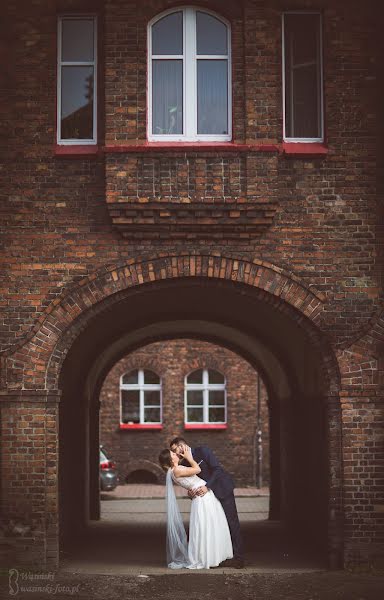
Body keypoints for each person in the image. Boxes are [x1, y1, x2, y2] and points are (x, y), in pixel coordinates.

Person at [170, 437, 244, 569]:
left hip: (222, 489)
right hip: (207, 499)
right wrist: (190, 493)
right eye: (173, 452)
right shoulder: (185, 465)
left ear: (183, 446)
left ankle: (239, 558)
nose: (176, 454)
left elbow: (217, 469)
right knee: (217, 525)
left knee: (231, 522)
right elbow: (191, 482)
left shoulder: (203, 451)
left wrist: (207, 486)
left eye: (176, 450)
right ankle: (220, 555)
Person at [158, 445, 233, 569]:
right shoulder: (176, 470)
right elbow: (197, 470)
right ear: (171, 461)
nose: (176, 454)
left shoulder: (175, 471)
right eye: (173, 455)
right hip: (203, 498)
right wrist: (189, 458)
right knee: (207, 526)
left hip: (202, 495)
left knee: (209, 525)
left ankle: (212, 556)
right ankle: (206, 558)